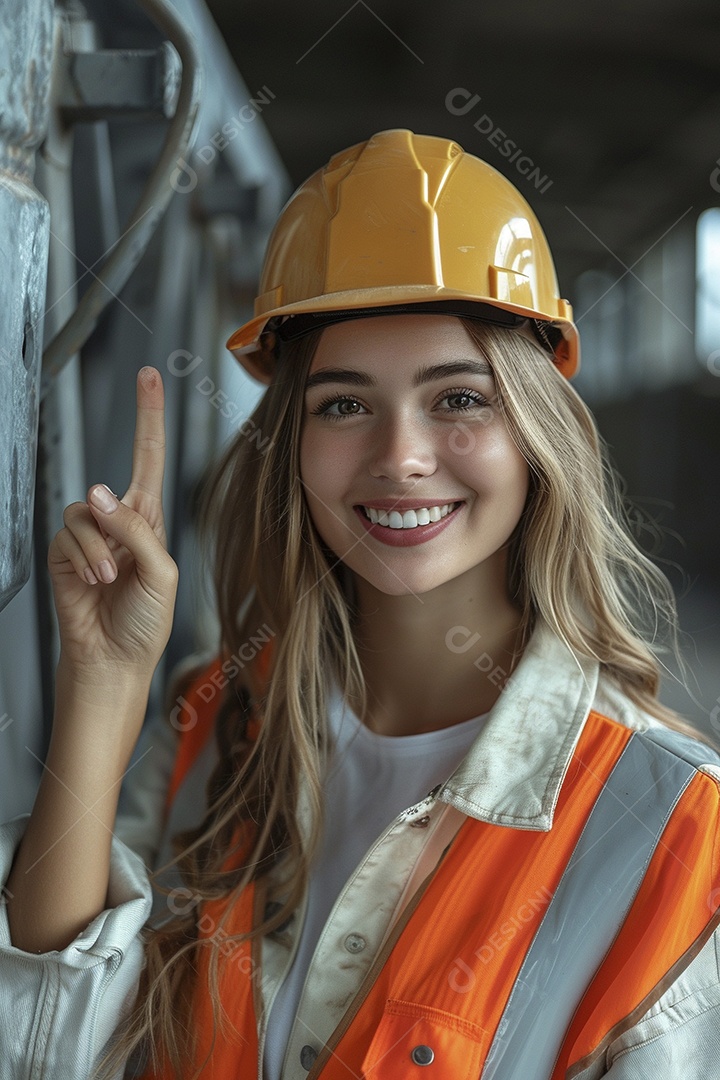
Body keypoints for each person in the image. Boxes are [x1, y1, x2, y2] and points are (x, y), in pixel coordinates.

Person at [1, 129, 719, 1080]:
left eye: (459, 398)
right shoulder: (216, 721)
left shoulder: (678, 832)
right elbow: (51, 1050)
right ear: (289, 444)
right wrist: (102, 682)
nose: (401, 456)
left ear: (537, 431)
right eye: (343, 405)